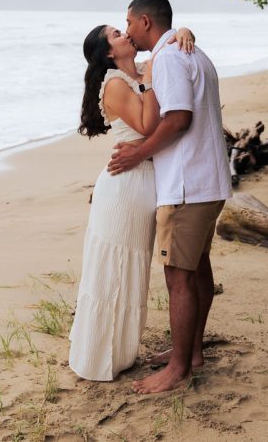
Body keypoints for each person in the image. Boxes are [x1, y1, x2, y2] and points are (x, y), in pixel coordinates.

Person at [108, 0, 232, 394]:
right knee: (195, 268)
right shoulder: (187, 51)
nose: (126, 30)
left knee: (178, 276)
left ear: (145, 21)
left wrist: (138, 154)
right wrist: (183, 30)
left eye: (128, 23)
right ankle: (191, 352)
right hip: (204, 179)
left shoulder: (172, 57)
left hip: (186, 183)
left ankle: (178, 368)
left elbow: (178, 118)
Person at [68, 24, 196, 381]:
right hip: (125, 187)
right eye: (115, 34)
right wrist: (152, 78)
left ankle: (120, 353)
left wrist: (183, 30)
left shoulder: (140, 71)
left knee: (132, 271)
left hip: (145, 180)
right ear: (109, 52)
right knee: (113, 269)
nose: (125, 34)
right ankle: (98, 358)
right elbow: (146, 123)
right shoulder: (114, 83)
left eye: (124, 28)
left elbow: (169, 36)